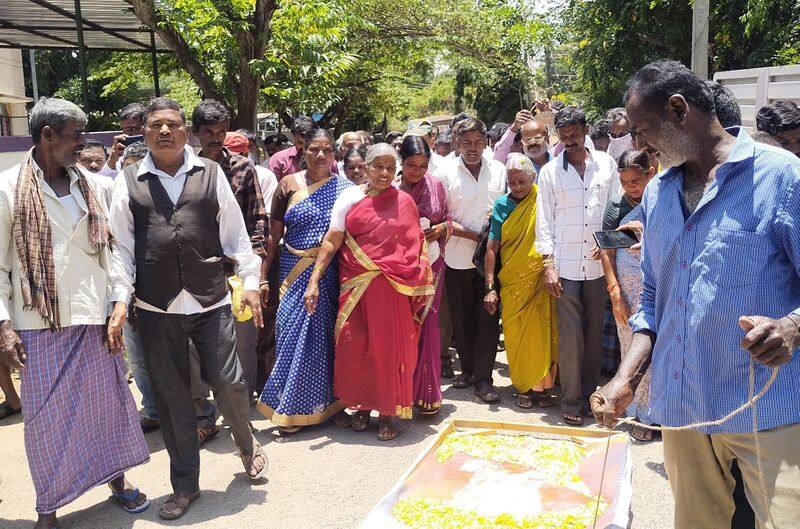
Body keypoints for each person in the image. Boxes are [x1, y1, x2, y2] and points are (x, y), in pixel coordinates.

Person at [592, 59, 800, 529]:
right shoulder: (658, 194)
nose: (641, 146)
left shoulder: (781, 177)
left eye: (644, 131)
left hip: (767, 406)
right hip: (684, 409)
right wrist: (626, 379)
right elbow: (652, 305)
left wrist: (791, 326)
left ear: (679, 109)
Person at [110, 97, 268, 520]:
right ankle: (185, 485)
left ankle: (245, 442)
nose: (165, 131)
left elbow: (237, 237)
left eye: (173, 125)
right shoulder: (127, 180)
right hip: (156, 306)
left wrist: (251, 283)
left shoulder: (210, 173)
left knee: (230, 382)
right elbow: (121, 248)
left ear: (186, 132)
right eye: (156, 125)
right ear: (143, 132)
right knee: (172, 398)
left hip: (210, 299)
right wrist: (122, 299)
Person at [0, 97, 150, 529]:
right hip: (37, 323)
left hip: (95, 317)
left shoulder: (93, 184)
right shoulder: (9, 189)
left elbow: (116, 251)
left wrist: (120, 301)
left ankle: (118, 481)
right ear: (48, 136)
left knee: (108, 408)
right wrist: (3, 324)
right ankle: (48, 505)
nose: (83, 144)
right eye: (75, 135)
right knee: (45, 422)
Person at [305, 143, 434, 440]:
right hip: (356, 286)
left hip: (393, 289)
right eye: (379, 166)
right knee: (356, 345)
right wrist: (314, 279)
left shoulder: (404, 202)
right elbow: (332, 239)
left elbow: (415, 247)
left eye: (391, 167)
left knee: (389, 350)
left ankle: (388, 412)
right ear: (365, 167)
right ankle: (362, 406)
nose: (385, 173)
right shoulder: (349, 197)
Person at [257, 128, 353, 431]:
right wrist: (262, 276)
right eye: (314, 149)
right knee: (291, 336)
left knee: (329, 339)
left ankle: (333, 404)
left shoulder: (347, 188)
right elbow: (274, 236)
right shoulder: (288, 185)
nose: (321, 155)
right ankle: (290, 408)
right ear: (303, 151)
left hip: (331, 272)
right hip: (292, 269)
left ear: (334, 153)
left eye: (327, 149)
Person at [535, 105, 621, 426]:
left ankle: (588, 395)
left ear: (585, 130)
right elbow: (543, 221)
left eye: (575, 134)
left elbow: (616, 207)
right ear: (558, 136)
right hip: (566, 266)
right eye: (564, 136)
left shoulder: (606, 165)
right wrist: (548, 264)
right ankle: (570, 399)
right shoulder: (549, 173)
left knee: (594, 333)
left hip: (598, 266)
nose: (570, 141)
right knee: (570, 336)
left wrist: (609, 240)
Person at [192, 100, 271, 399]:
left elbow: (259, 223)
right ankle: (204, 410)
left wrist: (257, 275)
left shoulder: (242, 168)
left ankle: (242, 405)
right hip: (198, 272)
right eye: (208, 131)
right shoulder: (186, 171)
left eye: (221, 131)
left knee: (242, 341)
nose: (215, 137)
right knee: (199, 343)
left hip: (236, 272)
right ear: (196, 133)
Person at [436, 117, 507, 403]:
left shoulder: (500, 171)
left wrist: (489, 239)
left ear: (487, 142)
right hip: (457, 256)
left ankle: (484, 378)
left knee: (488, 319)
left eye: (478, 142)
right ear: (456, 143)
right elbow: (443, 217)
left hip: (492, 258)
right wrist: (474, 235)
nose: (472, 148)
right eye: (466, 142)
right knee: (461, 318)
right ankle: (466, 370)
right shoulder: (444, 173)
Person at [484, 154, 558, 409]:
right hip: (513, 281)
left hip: (540, 277)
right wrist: (490, 286)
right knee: (516, 335)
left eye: (522, 182)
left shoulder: (543, 200)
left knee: (542, 332)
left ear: (533, 178)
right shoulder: (501, 206)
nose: (516, 187)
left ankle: (545, 386)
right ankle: (524, 386)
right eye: (511, 182)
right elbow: (492, 247)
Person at [597, 149, 656, 441]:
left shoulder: (664, 201)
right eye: (625, 182)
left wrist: (645, 232)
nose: (631, 187)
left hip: (656, 286)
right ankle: (635, 412)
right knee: (630, 348)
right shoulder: (616, 208)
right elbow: (606, 251)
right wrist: (615, 292)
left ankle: (655, 417)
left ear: (651, 173)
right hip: (626, 288)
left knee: (656, 352)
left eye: (637, 180)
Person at [398, 135, 451, 414]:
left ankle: (428, 393)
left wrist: (441, 230)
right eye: (411, 165)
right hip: (401, 268)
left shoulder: (436, 186)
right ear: (401, 162)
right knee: (404, 327)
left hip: (432, 264)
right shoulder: (393, 188)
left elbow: (448, 220)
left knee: (429, 325)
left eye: (422, 165)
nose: (417, 171)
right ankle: (401, 392)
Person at [269, 116, 337, 179]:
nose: (305, 148)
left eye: (309, 144)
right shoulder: (279, 160)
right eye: (300, 142)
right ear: (293, 139)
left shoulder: (328, 161)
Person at [101, 102, 146, 177]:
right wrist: (113, 157)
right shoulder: (122, 155)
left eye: (134, 128)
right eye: (125, 129)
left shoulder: (159, 151)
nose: (129, 133)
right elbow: (104, 180)